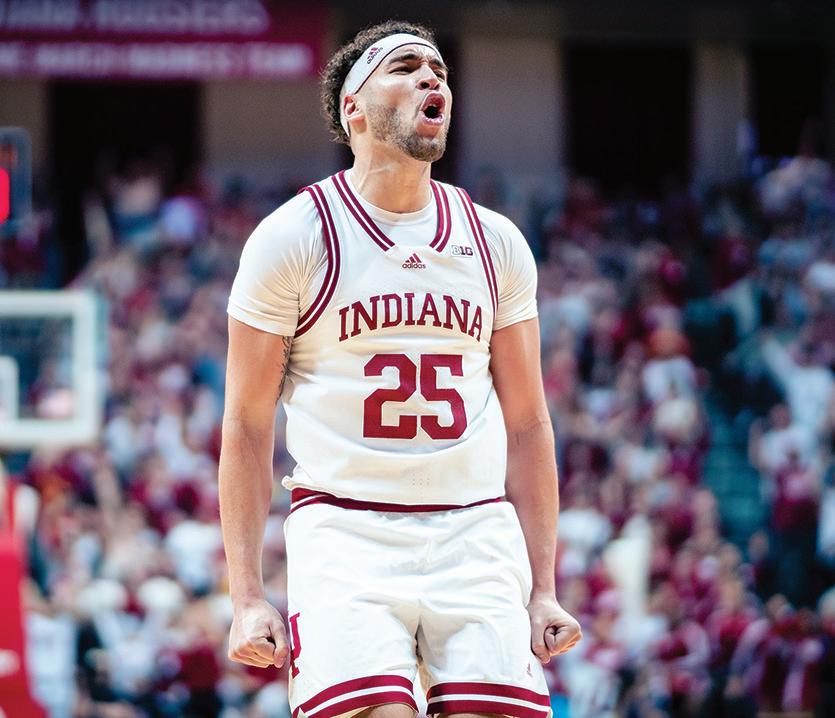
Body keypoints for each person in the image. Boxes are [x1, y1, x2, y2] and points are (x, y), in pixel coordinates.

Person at [219, 20, 582, 718]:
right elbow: (246, 423)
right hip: (345, 531)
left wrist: (543, 588)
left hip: (474, 529)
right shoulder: (294, 236)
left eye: (438, 70)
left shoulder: (496, 241)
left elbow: (529, 424)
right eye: (406, 66)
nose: (430, 78)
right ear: (352, 107)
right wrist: (247, 596)